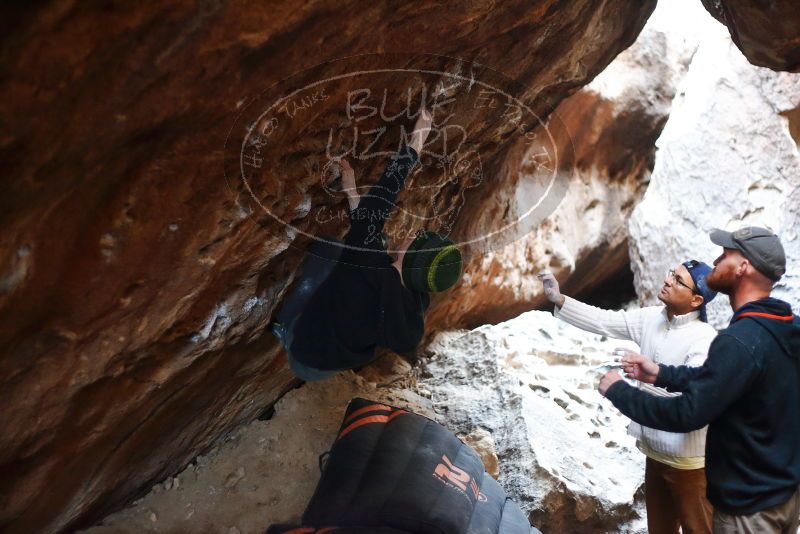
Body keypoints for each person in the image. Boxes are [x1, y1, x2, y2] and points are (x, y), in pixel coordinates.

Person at [600, 227, 800, 533]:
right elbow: (726, 380)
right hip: (785, 498)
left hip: (748, 511)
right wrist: (662, 374)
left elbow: (687, 414)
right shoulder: (786, 326)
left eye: (726, 254)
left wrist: (619, 391)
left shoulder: (739, 341)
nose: (717, 260)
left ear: (743, 267)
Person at [272, 108, 463, 381]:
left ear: (413, 258)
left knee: (328, 249)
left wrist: (417, 140)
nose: (414, 234)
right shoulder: (413, 299)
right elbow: (366, 235)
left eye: (418, 240)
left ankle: (284, 327)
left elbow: (381, 200)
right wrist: (352, 193)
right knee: (366, 249)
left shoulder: (368, 266)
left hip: (303, 354)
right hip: (330, 365)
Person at [539, 259, 718, 534]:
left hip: (689, 464)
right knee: (659, 529)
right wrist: (560, 299)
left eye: (679, 280)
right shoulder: (651, 318)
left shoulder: (704, 339)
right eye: (672, 273)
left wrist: (623, 391)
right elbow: (605, 321)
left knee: (700, 529)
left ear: (696, 300)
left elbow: (692, 400)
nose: (668, 280)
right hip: (654, 454)